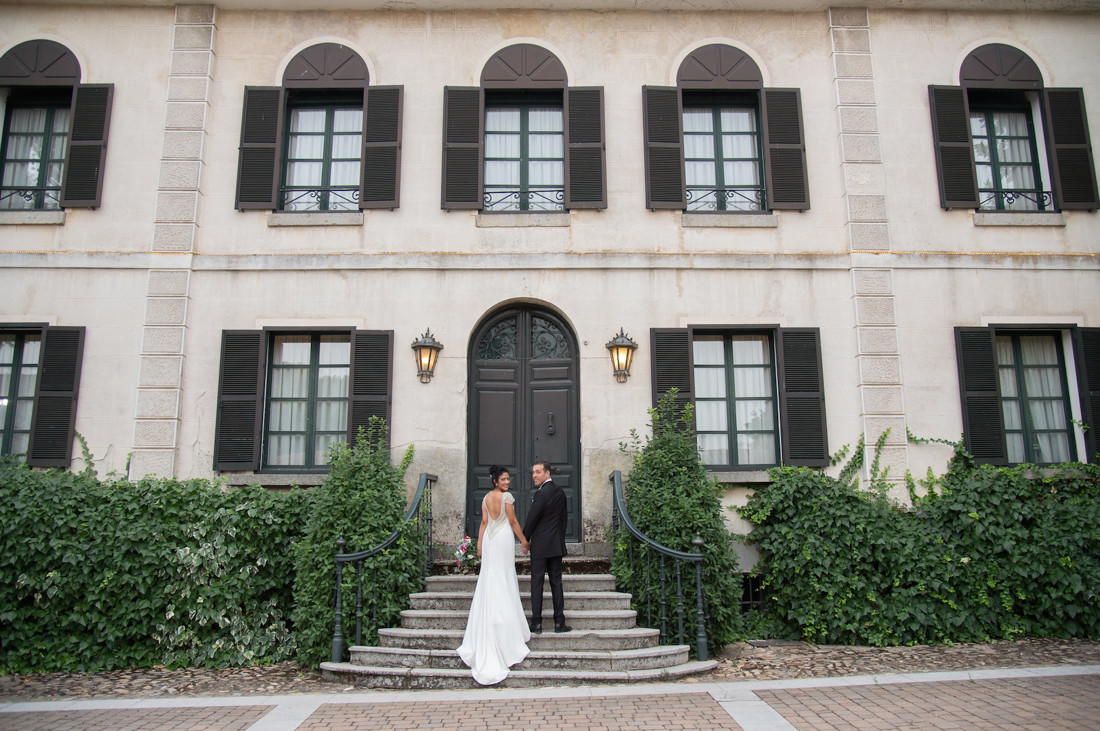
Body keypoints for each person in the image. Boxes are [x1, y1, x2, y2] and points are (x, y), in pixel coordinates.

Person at [456, 465, 532, 685]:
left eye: (508, 479)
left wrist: (479, 546)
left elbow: (483, 523)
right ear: (495, 481)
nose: (507, 482)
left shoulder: (485, 498)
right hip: (503, 538)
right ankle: (506, 628)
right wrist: (524, 541)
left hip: (489, 540)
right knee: (504, 575)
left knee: (491, 575)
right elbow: (513, 521)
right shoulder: (506, 497)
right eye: (504, 479)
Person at [522, 461, 571, 634]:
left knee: (537, 583)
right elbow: (564, 519)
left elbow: (532, 518)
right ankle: (559, 622)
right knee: (556, 583)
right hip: (556, 544)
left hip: (541, 546)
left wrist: (525, 539)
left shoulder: (541, 493)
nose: (534, 475)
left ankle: (536, 623)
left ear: (547, 473)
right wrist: (559, 538)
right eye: (533, 472)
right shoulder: (560, 492)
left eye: (538, 472)